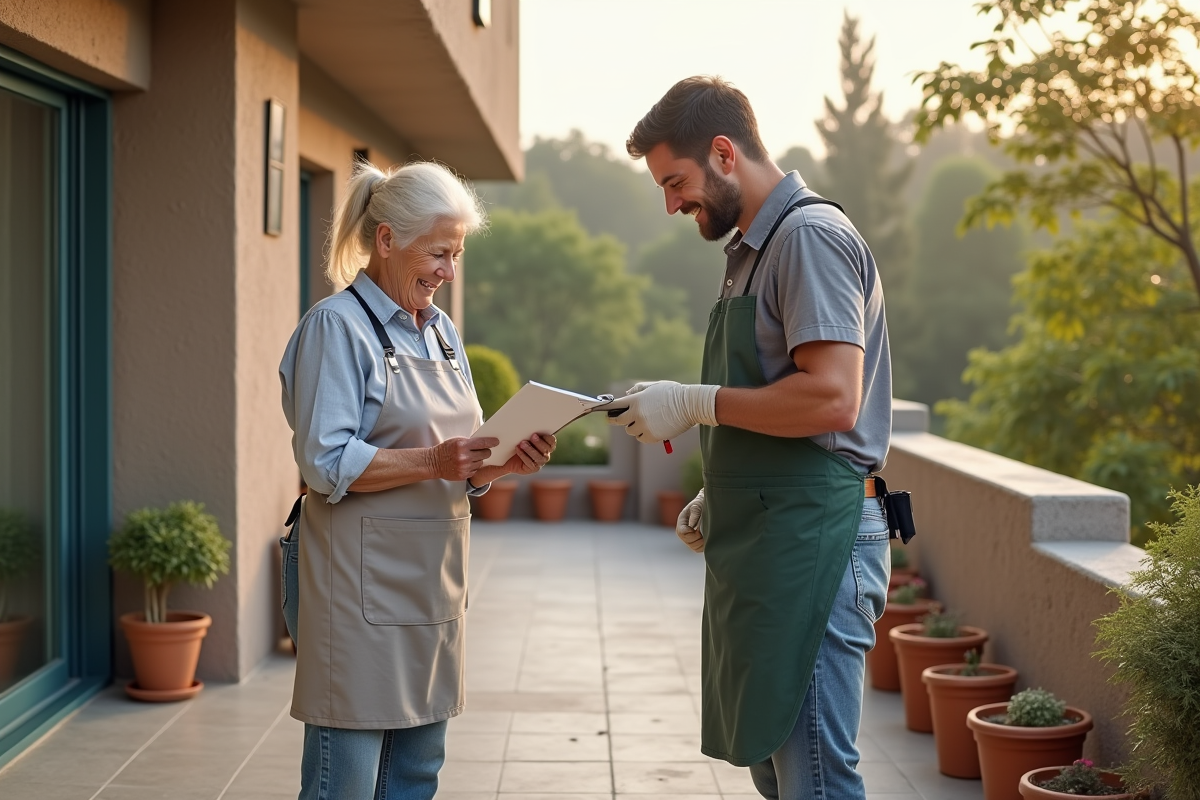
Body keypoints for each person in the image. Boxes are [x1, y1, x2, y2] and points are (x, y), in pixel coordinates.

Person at [612, 76, 893, 800]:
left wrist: (695, 402)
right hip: (778, 528)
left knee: (815, 777)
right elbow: (778, 396)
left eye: (675, 182)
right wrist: (727, 487)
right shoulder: (752, 251)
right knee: (775, 761)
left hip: (819, 536)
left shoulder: (808, 238)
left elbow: (833, 398)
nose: (671, 204)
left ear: (724, 153)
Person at [278, 160, 556, 800]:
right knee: (347, 783)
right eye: (438, 253)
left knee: (415, 776)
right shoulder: (336, 327)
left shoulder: (442, 333)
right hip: (356, 590)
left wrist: (502, 462)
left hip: (433, 588)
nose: (448, 272)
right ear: (386, 240)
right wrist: (434, 462)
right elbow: (324, 462)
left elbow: (461, 458)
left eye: (456, 254)